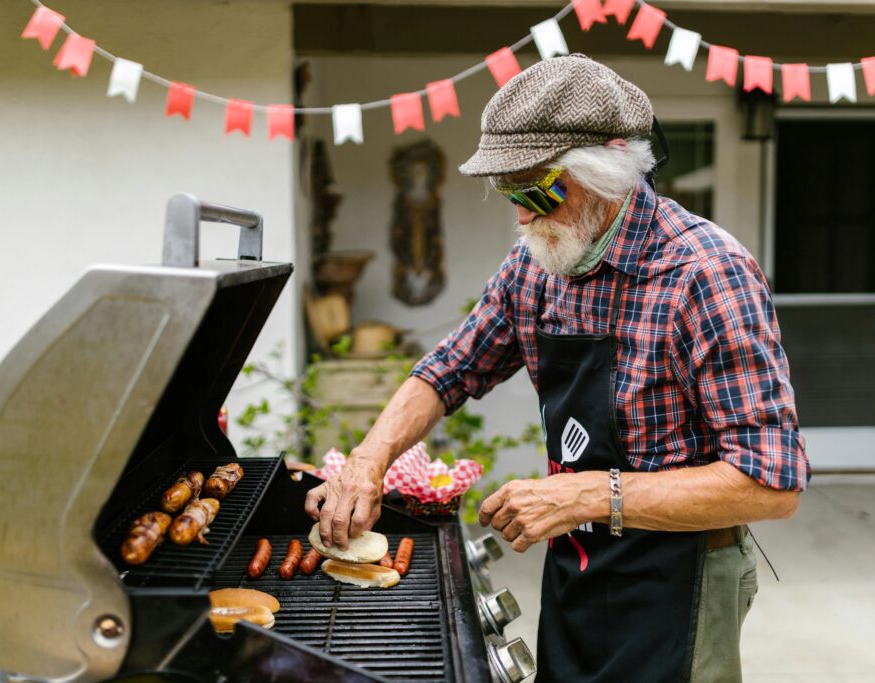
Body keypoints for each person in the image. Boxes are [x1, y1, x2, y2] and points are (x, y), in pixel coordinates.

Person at [306, 54, 810, 683]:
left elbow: (772, 483)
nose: (520, 214)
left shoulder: (705, 274)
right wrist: (367, 461)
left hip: (681, 580)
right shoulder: (539, 262)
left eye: (536, 191)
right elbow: (448, 369)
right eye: (510, 193)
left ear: (609, 171)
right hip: (578, 561)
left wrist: (588, 493)